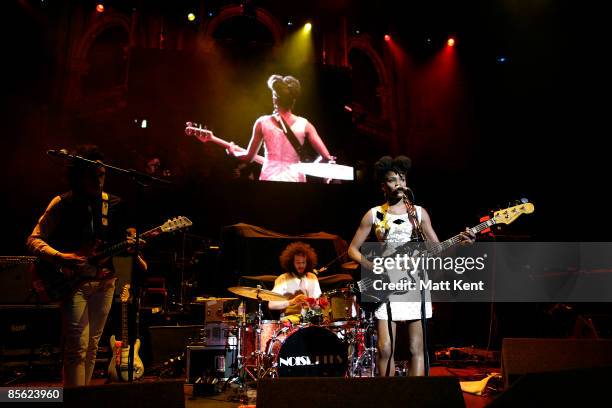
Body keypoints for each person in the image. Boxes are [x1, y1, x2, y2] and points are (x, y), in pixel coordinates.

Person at [26, 145, 146, 387]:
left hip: (105, 281)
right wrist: (61, 257)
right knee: (77, 346)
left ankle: (84, 398)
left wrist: (132, 243)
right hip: (74, 282)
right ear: (79, 176)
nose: (98, 181)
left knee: (93, 346)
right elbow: (33, 239)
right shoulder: (62, 202)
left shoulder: (114, 204)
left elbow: (124, 236)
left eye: (102, 175)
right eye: (92, 175)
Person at [348, 156, 475, 377]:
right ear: (383, 186)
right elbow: (352, 249)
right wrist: (372, 265)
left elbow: (437, 247)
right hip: (386, 284)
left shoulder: (419, 213)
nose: (398, 184)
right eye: (391, 180)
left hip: (415, 283)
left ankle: (414, 397)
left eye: (402, 179)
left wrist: (461, 243)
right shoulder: (374, 214)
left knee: (417, 348)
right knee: (385, 348)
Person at [229, 74, 335, 182]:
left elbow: (249, 157)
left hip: (269, 179)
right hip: (295, 180)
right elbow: (327, 157)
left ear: (275, 99)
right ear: (293, 100)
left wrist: (233, 152)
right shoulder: (305, 125)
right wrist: (308, 169)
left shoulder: (262, 122)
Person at [268, 241, 322, 323]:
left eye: (303, 262)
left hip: (311, 320)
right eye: (298, 263)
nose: (301, 266)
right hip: (290, 321)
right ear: (291, 263)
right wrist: (292, 301)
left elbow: (318, 307)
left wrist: (314, 304)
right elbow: (271, 305)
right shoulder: (283, 278)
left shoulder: (312, 277)